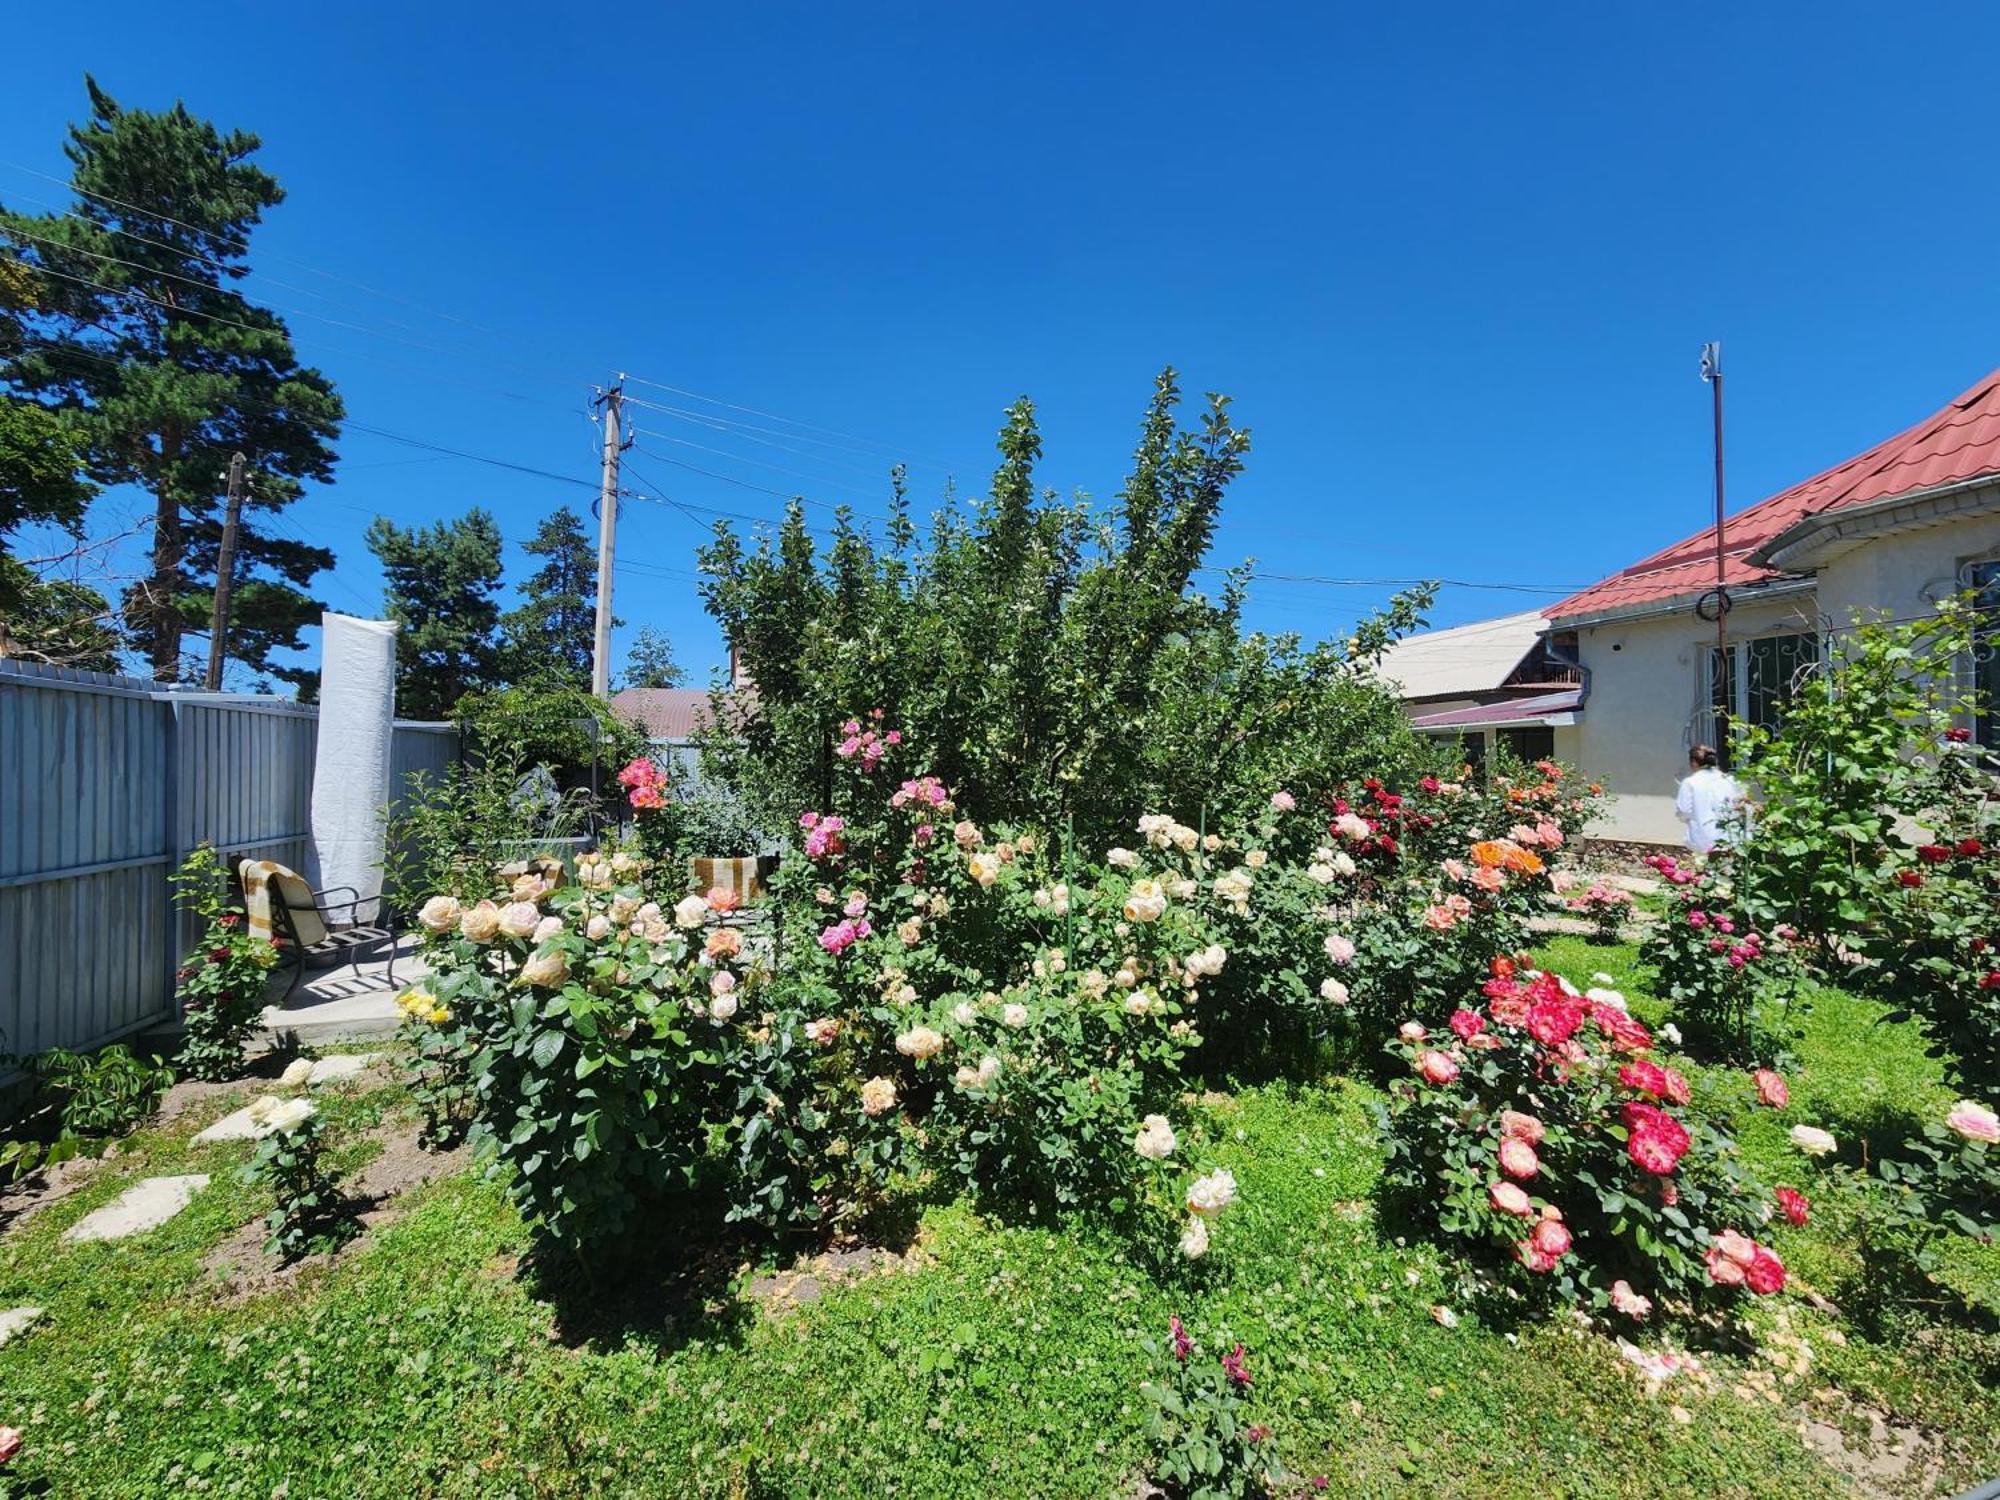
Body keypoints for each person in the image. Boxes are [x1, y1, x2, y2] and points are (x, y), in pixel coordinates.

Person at [1674, 744, 1748, 854]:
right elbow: (1742, 804)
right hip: (1730, 838)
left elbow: (1683, 811)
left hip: (1702, 839)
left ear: (1694, 762)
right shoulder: (1730, 780)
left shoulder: (1690, 782)